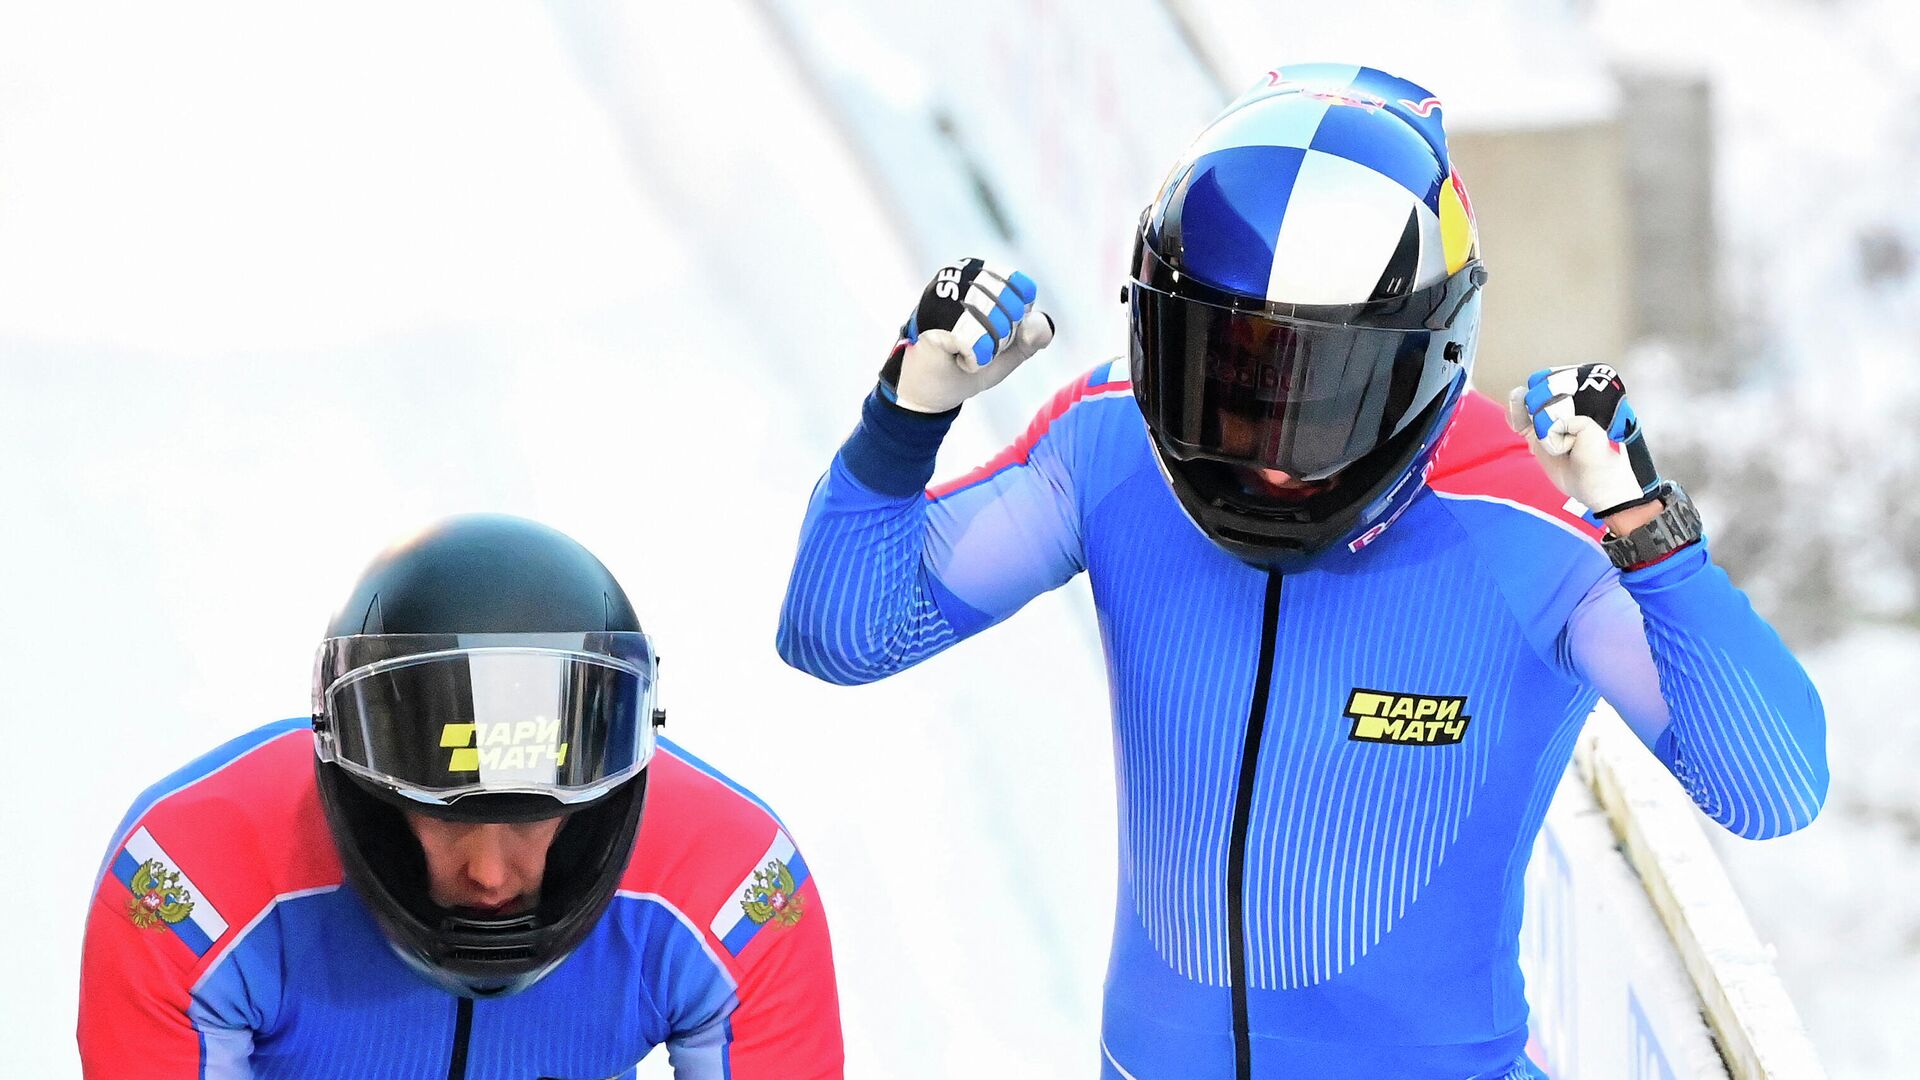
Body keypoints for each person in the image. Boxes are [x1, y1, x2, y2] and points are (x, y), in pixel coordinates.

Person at [777, 64, 1827, 1079]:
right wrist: (907, 412)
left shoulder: (1529, 527)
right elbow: (842, 632)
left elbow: (1769, 785)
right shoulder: (1110, 448)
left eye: (1318, 398)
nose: (1266, 456)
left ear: (1426, 363)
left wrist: (1647, 527)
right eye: (1226, 384)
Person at [81, 514, 843, 1079]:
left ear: (607, 797)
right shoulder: (184, 885)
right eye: (443, 814)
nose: (488, 872)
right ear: (362, 792)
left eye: (535, 815)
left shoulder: (736, 883)